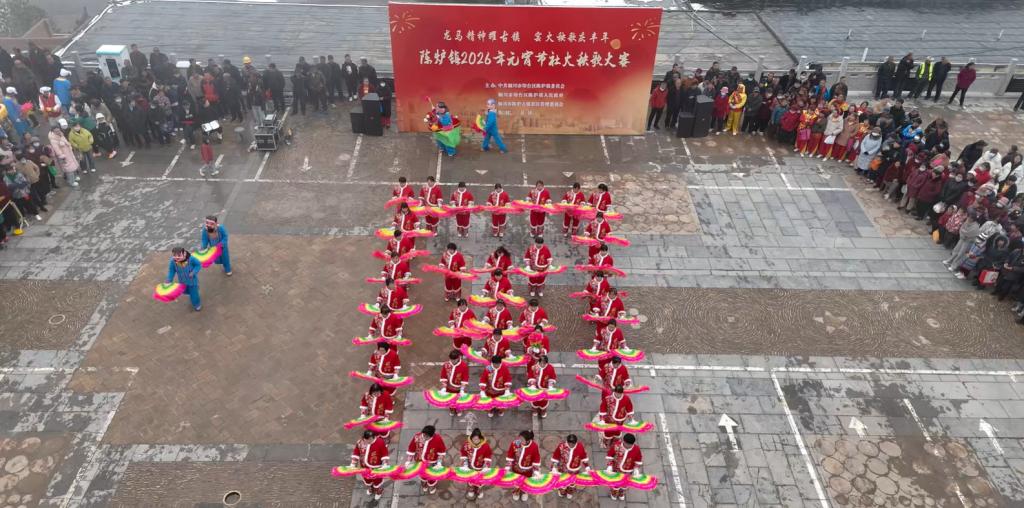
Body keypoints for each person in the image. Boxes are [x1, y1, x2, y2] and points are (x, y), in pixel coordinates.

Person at [405, 425, 447, 495]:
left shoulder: (438, 439)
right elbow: (411, 450)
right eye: (424, 435)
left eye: (427, 437)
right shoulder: (417, 437)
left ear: (432, 435)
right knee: (422, 476)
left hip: (432, 463)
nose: (424, 438)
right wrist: (408, 461)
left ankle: (432, 486)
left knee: (432, 477)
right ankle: (424, 485)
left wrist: (439, 463)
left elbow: (441, 453)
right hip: (419, 462)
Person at [350, 430, 389, 500]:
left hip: (376, 468)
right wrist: (353, 463)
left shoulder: (380, 442)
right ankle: (371, 488)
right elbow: (356, 452)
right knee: (367, 480)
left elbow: (384, 453)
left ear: (372, 437)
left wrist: (385, 463)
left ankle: (378, 491)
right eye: (365, 440)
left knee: (377, 481)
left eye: (369, 440)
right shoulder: (360, 442)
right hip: (364, 467)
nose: (367, 442)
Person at [505, 430, 541, 501]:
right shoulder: (515, 443)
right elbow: (510, 455)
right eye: (519, 438)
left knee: (526, 481)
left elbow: (536, 458)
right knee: (516, 481)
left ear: (528, 441)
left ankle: (524, 491)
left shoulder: (534, 446)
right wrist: (507, 467)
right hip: (516, 468)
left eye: (522, 439)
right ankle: (516, 491)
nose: (520, 440)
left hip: (527, 470)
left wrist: (536, 471)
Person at [606, 433, 643, 501]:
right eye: (627, 444)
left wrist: (636, 468)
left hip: (628, 471)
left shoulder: (636, 449)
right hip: (616, 469)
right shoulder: (616, 445)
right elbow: (610, 455)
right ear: (624, 441)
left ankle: (621, 493)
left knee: (625, 484)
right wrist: (610, 465)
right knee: (616, 483)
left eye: (630, 445)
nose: (628, 446)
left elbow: (638, 460)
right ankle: (614, 494)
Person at [551, 434, 589, 499]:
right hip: (563, 469)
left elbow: (583, 457)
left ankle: (570, 492)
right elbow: (555, 457)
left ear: (576, 442)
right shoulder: (561, 447)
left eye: (573, 444)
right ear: (567, 442)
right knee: (563, 482)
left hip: (574, 471)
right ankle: (562, 492)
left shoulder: (580, 447)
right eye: (570, 443)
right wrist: (554, 467)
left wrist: (587, 467)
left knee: (572, 483)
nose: (571, 445)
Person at [460, 428, 493, 500]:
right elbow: (464, 454)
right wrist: (465, 465)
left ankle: (479, 490)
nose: (475, 441)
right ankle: (471, 489)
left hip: (480, 468)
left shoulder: (485, 446)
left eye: (477, 439)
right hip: (470, 467)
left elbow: (488, 457)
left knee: (480, 481)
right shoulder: (467, 445)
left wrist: (486, 467)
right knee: (470, 480)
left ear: (480, 438)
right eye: (473, 439)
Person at [439, 349, 469, 415]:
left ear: (458, 358)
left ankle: (459, 410)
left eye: (454, 360)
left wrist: (462, 389)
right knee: (450, 400)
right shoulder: (446, 364)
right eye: (451, 359)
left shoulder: (464, 366)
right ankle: (452, 410)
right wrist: (444, 387)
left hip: (458, 388)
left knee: (459, 400)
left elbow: (465, 378)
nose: (452, 361)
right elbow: (443, 376)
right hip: (448, 387)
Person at [527, 354, 556, 418]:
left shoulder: (550, 368)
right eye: (541, 363)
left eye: (544, 363)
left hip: (545, 389)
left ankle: (543, 411)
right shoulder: (534, 367)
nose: (542, 364)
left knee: (544, 402)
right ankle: (534, 410)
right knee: (534, 401)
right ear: (539, 362)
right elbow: (531, 376)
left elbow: (552, 377)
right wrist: (532, 384)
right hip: (535, 388)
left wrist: (550, 385)